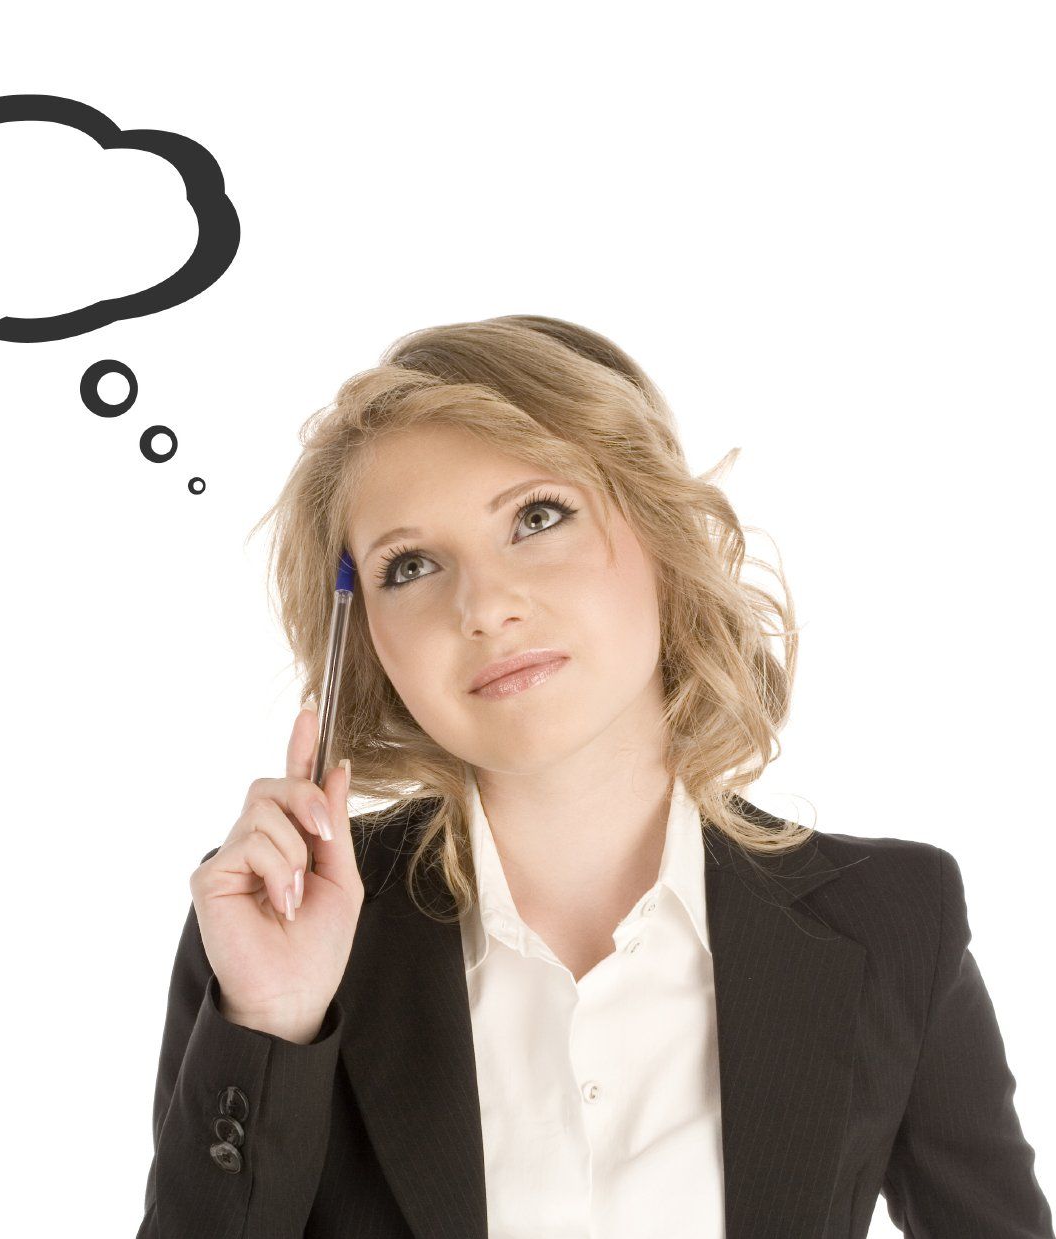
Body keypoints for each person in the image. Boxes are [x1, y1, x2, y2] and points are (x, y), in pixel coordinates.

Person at [134, 315, 1053, 1238]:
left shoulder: (890, 919)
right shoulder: (274, 923)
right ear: (364, 640)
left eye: (537, 517)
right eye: (409, 565)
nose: (485, 605)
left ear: (657, 530)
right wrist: (271, 1025)